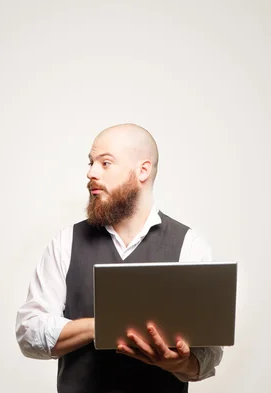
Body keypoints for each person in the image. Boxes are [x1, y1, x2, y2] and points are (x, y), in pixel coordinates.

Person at [15, 124, 223, 393]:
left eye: (105, 163)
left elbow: (208, 356)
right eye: (91, 163)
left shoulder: (189, 246)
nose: (91, 173)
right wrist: (102, 326)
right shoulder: (66, 242)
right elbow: (29, 333)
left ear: (142, 171)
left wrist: (178, 363)